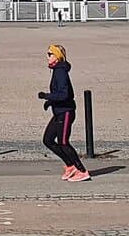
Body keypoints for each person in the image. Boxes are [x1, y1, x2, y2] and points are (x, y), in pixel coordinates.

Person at [38, 44, 90, 182]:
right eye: (47, 53)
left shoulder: (60, 72)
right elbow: (60, 94)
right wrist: (50, 102)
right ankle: (70, 165)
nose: (47, 56)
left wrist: (47, 96)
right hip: (59, 112)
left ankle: (82, 170)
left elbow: (65, 94)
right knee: (48, 140)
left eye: (50, 54)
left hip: (66, 112)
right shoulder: (56, 70)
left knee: (63, 142)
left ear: (57, 56)